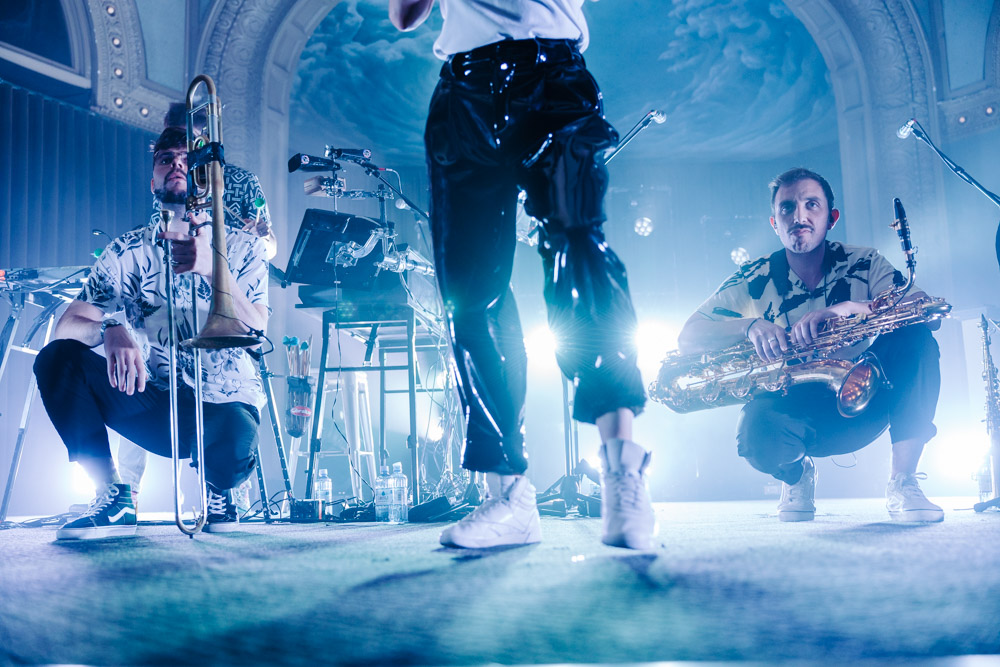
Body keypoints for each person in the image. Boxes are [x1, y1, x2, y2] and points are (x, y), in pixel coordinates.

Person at [389, 0, 656, 549]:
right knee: (470, 292)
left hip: (551, 79)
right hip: (463, 94)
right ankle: (509, 496)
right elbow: (404, 13)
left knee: (578, 250)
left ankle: (623, 474)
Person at [33, 126, 270, 539]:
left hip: (222, 404)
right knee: (56, 359)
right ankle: (113, 496)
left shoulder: (244, 248)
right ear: (152, 178)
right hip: (156, 403)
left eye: (186, 160)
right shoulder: (126, 252)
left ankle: (218, 489)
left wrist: (213, 268)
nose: (176, 166)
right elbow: (64, 326)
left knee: (233, 446)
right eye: (166, 159)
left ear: (203, 176)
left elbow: (257, 324)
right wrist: (110, 327)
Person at [677, 167, 944, 523]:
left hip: (868, 399)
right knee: (753, 438)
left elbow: (925, 310)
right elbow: (688, 337)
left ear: (831, 218)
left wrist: (848, 308)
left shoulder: (864, 262)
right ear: (774, 222)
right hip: (794, 409)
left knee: (917, 337)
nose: (798, 216)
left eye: (811, 205)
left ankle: (904, 481)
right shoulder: (753, 276)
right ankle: (797, 474)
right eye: (787, 208)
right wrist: (750, 326)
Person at [117, 103, 277, 507]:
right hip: (172, 292)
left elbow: (269, 244)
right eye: (169, 142)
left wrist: (229, 245)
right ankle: (125, 491)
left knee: (224, 387)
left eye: (187, 142)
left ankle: (222, 488)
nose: (176, 151)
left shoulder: (238, 179)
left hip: (222, 284)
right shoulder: (170, 170)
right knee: (139, 363)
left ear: (205, 138)